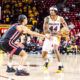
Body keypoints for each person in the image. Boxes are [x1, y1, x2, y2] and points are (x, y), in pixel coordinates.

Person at [42, 6, 69, 73]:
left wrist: (66, 29)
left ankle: (60, 66)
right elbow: (45, 31)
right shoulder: (47, 19)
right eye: (50, 10)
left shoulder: (60, 18)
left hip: (56, 36)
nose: (51, 11)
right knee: (43, 55)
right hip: (49, 36)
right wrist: (55, 33)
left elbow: (65, 25)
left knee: (55, 48)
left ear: (56, 11)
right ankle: (47, 61)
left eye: (52, 10)